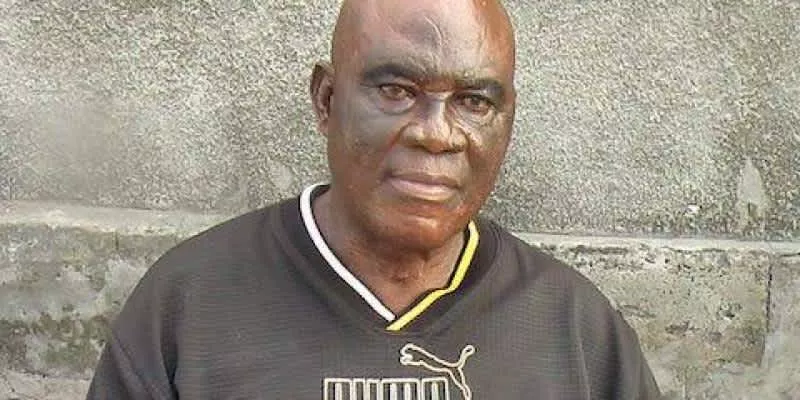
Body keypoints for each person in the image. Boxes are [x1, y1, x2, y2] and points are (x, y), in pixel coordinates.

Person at [86, 0, 661, 398]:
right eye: (396, 91)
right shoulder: (189, 307)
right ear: (326, 100)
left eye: (474, 102)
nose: (436, 134)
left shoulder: (573, 328)